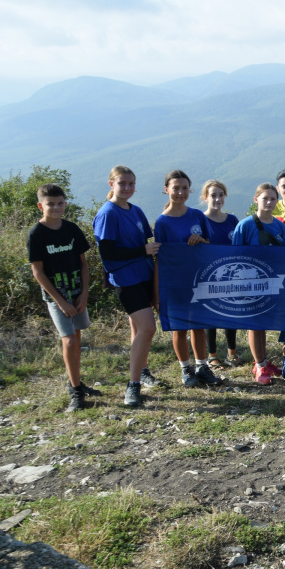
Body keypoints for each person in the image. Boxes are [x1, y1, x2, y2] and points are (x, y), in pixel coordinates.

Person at [93, 165, 161, 407]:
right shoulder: (107, 214)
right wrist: (142, 251)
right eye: (122, 183)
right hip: (125, 279)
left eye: (131, 184)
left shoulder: (136, 210)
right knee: (148, 328)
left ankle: (142, 371)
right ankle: (133, 385)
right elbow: (108, 253)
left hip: (144, 275)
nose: (127, 188)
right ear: (111, 184)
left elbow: (147, 242)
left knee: (137, 328)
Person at [28, 183, 99, 411]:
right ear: (40, 206)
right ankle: (76, 392)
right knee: (68, 340)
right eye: (50, 204)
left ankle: (75, 381)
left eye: (60, 203)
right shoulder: (36, 234)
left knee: (76, 338)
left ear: (65, 204)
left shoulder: (71, 229)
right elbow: (38, 272)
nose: (56, 208)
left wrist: (84, 294)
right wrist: (60, 302)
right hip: (56, 297)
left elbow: (83, 264)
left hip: (77, 292)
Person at [154, 170, 222, 388]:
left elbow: (210, 246)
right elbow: (160, 258)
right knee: (179, 327)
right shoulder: (162, 222)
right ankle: (186, 368)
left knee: (199, 324)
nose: (181, 192)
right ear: (167, 190)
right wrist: (157, 292)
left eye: (185, 188)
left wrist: (200, 240)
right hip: (175, 281)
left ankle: (202, 366)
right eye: (176, 188)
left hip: (198, 278)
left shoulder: (197, 216)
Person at [232, 182, 285, 385]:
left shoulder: (279, 226)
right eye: (265, 198)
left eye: (273, 199)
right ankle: (259, 366)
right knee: (255, 325)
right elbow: (235, 256)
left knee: (263, 323)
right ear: (256, 200)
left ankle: (263, 361)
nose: (269, 202)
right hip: (250, 284)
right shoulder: (245, 225)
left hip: (272, 283)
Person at [200, 179, 241, 369]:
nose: (217, 199)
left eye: (221, 195)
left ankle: (232, 353)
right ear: (205, 198)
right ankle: (212, 355)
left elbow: (241, 245)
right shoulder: (200, 220)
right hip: (209, 275)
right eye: (213, 195)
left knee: (230, 312)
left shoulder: (232, 220)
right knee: (211, 314)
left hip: (231, 275)